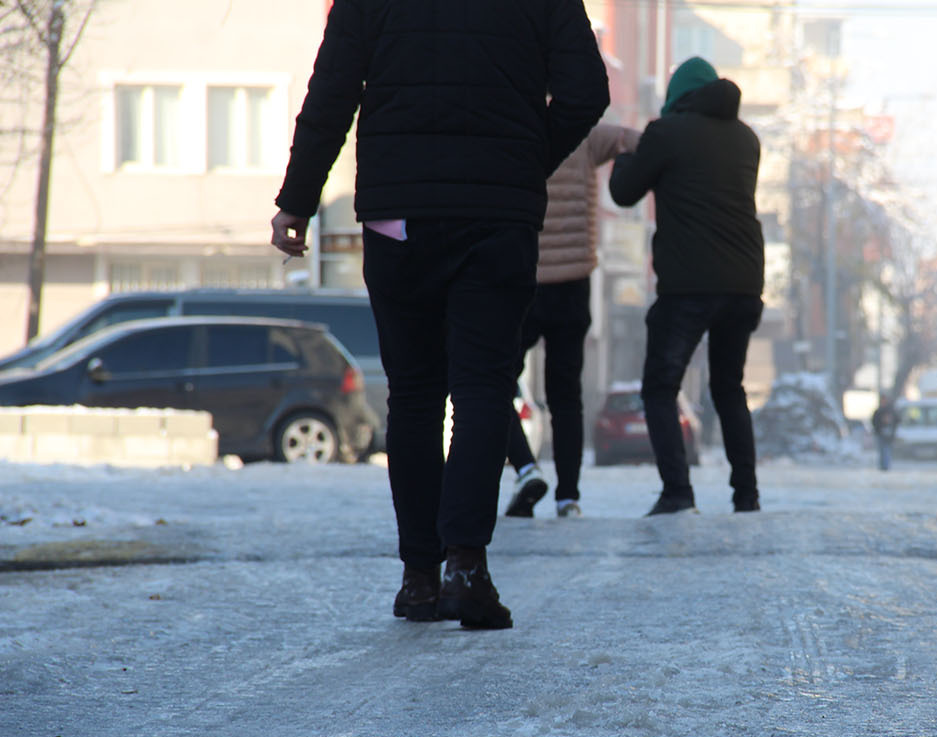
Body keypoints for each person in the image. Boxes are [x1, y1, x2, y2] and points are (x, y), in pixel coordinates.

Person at [270, 0, 608, 626]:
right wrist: (526, 158)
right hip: (497, 216)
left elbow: (333, 91)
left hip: (400, 214)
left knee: (416, 394)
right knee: (483, 387)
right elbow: (587, 92)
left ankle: (419, 577)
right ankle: (467, 567)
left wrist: (298, 199)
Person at [608, 57, 764, 516]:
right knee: (729, 388)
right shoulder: (747, 139)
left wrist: (624, 154)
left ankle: (678, 492)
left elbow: (623, 192)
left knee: (660, 388)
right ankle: (746, 495)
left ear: (677, 99)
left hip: (689, 284)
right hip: (743, 282)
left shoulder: (666, 133)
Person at [505, 122, 641, 520]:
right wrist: (620, 179)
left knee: (491, 378)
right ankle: (569, 498)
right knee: (566, 398)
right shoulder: (584, 134)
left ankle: (526, 467)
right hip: (573, 286)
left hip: (522, 281)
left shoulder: (512, 127)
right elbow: (636, 141)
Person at [871, 394, 900, 472]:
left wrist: (892, 426)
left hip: (889, 434)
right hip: (880, 433)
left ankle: (886, 466)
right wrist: (878, 428)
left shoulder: (891, 410)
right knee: (881, 450)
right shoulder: (878, 411)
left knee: (887, 449)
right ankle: (882, 466)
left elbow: (897, 420)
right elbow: (874, 422)